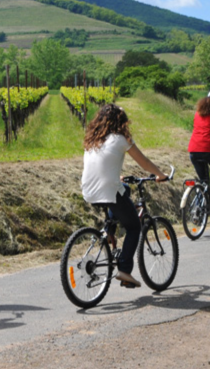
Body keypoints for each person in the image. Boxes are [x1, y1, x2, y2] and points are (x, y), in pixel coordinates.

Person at [82, 104, 169, 288]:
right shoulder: (121, 138)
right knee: (134, 227)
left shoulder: (94, 139)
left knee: (125, 190)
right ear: (121, 121)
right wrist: (160, 175)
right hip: (108, 190)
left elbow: (101, 165)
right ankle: (125, 270)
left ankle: (109, 230)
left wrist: (117, 177)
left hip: (88, 189)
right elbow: (144, 162)